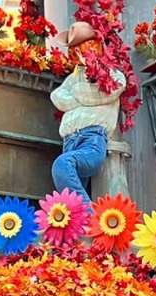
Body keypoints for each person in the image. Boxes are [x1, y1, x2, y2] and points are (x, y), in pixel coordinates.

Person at [50, 20, 125, 204]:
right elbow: (57, 96)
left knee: (63, 165)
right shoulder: (74, 77)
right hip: (69, 141)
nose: (77, 54)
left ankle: (89, 218)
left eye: (81, 48)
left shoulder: (109, 73)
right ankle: (82, 220)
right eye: (73, 50)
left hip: (91, 138)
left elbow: (109, 91)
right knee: (71, 195)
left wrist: (75, 94)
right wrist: (81, 97)